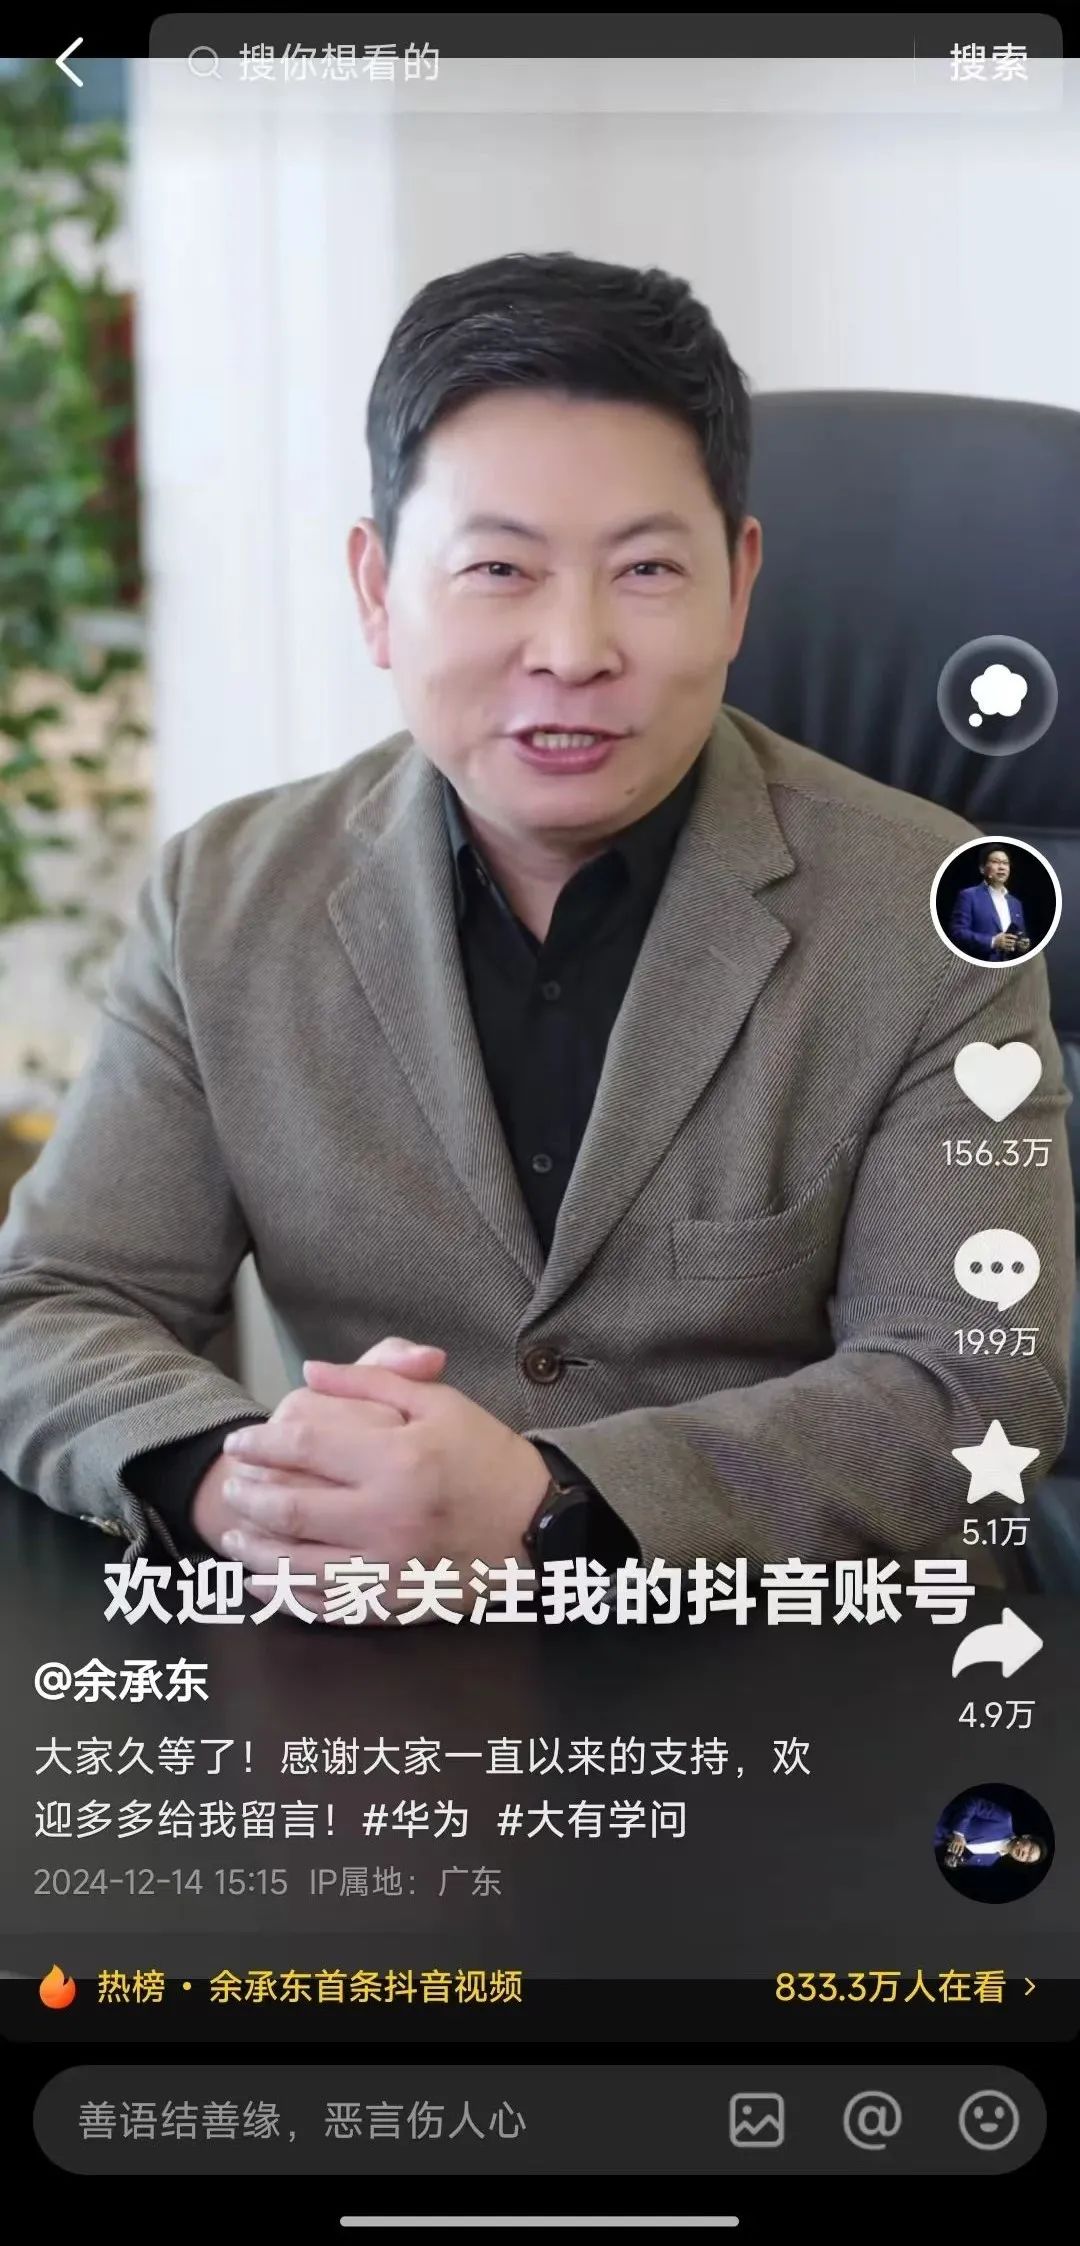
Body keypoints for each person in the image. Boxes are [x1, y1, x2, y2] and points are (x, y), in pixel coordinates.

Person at [0, 251, 1073, 1622]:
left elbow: (976, 1388)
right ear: (377, 588)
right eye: (499, 567)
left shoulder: (942, 907)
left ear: (738, 587)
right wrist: (236, 1484)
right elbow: (49, 1300)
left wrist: (545, 1502)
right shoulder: (225, 900)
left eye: (645, 568)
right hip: (387, 1673)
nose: (572, 648)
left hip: (805, 1659)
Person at [948, 847, 1032, 963]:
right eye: (995, 862)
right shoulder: (969, 895)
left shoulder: (1016, 903)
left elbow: (1021, 935)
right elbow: (958, 933)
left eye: (1005, 863)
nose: (1002, 867)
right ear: (982, 869)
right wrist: (992, 941)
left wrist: (1022, 944)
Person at [935, 1797, 1046, 1870]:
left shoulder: (989, 1862)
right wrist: (958, 1833)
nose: (1024, 1855)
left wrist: (948, 1861)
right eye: (1030, 1850)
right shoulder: (1004, 1819)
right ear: (1027, 1836)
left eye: (1028, 1858)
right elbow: (973, 1803)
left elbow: (947, 1858)